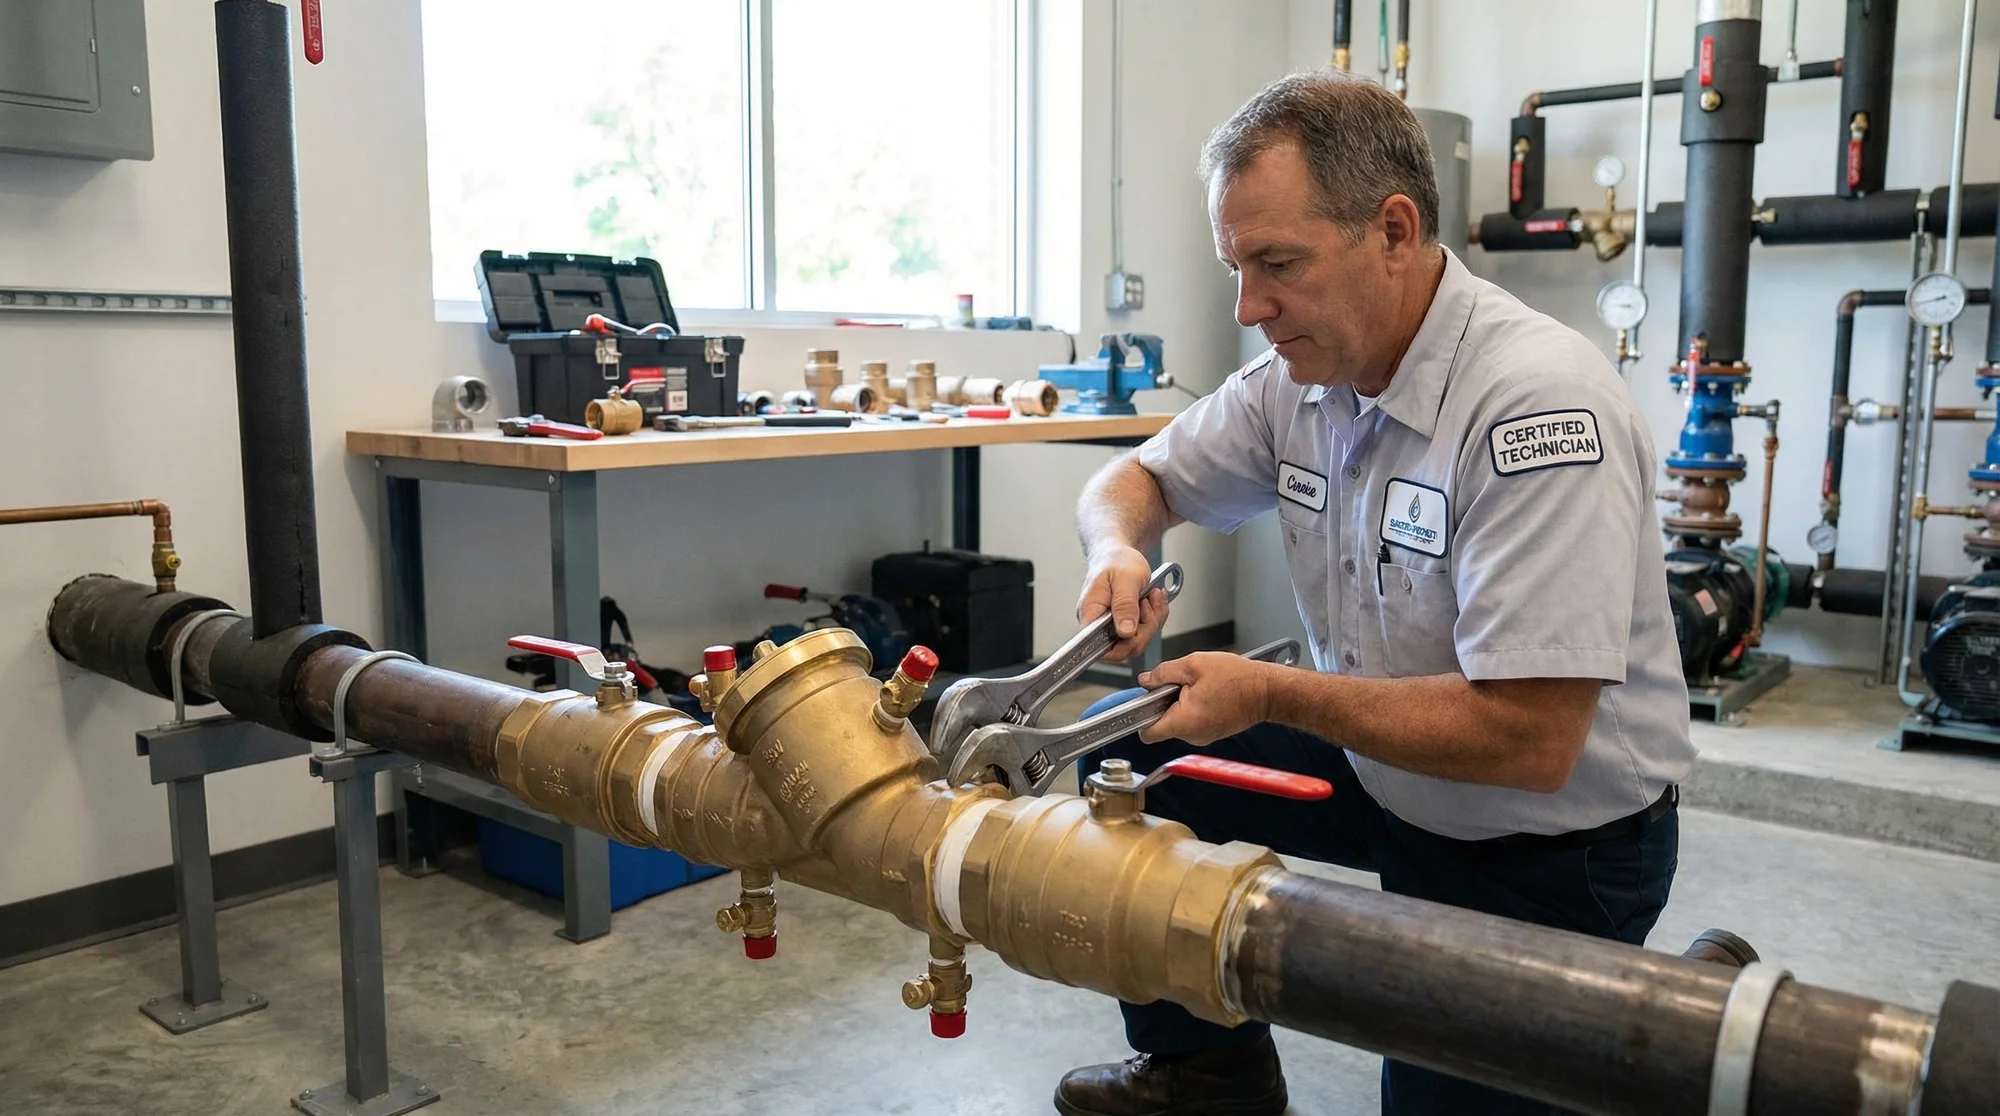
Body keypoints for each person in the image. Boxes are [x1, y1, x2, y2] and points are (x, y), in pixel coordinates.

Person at [1053, 70, 1695, 1116]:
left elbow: (1526, 739)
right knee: (1128, 747)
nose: (1246, 308)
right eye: (1235, 266)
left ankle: (1616, 1023)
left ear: (1392, 231)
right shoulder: (1298, 381)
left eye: (1276, 265)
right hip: (1385, 774)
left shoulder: (1532, 404)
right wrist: (1113, 550)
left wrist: (1268, 696)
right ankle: (1208, 1073)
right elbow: (1135, 479)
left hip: (1543, 848)